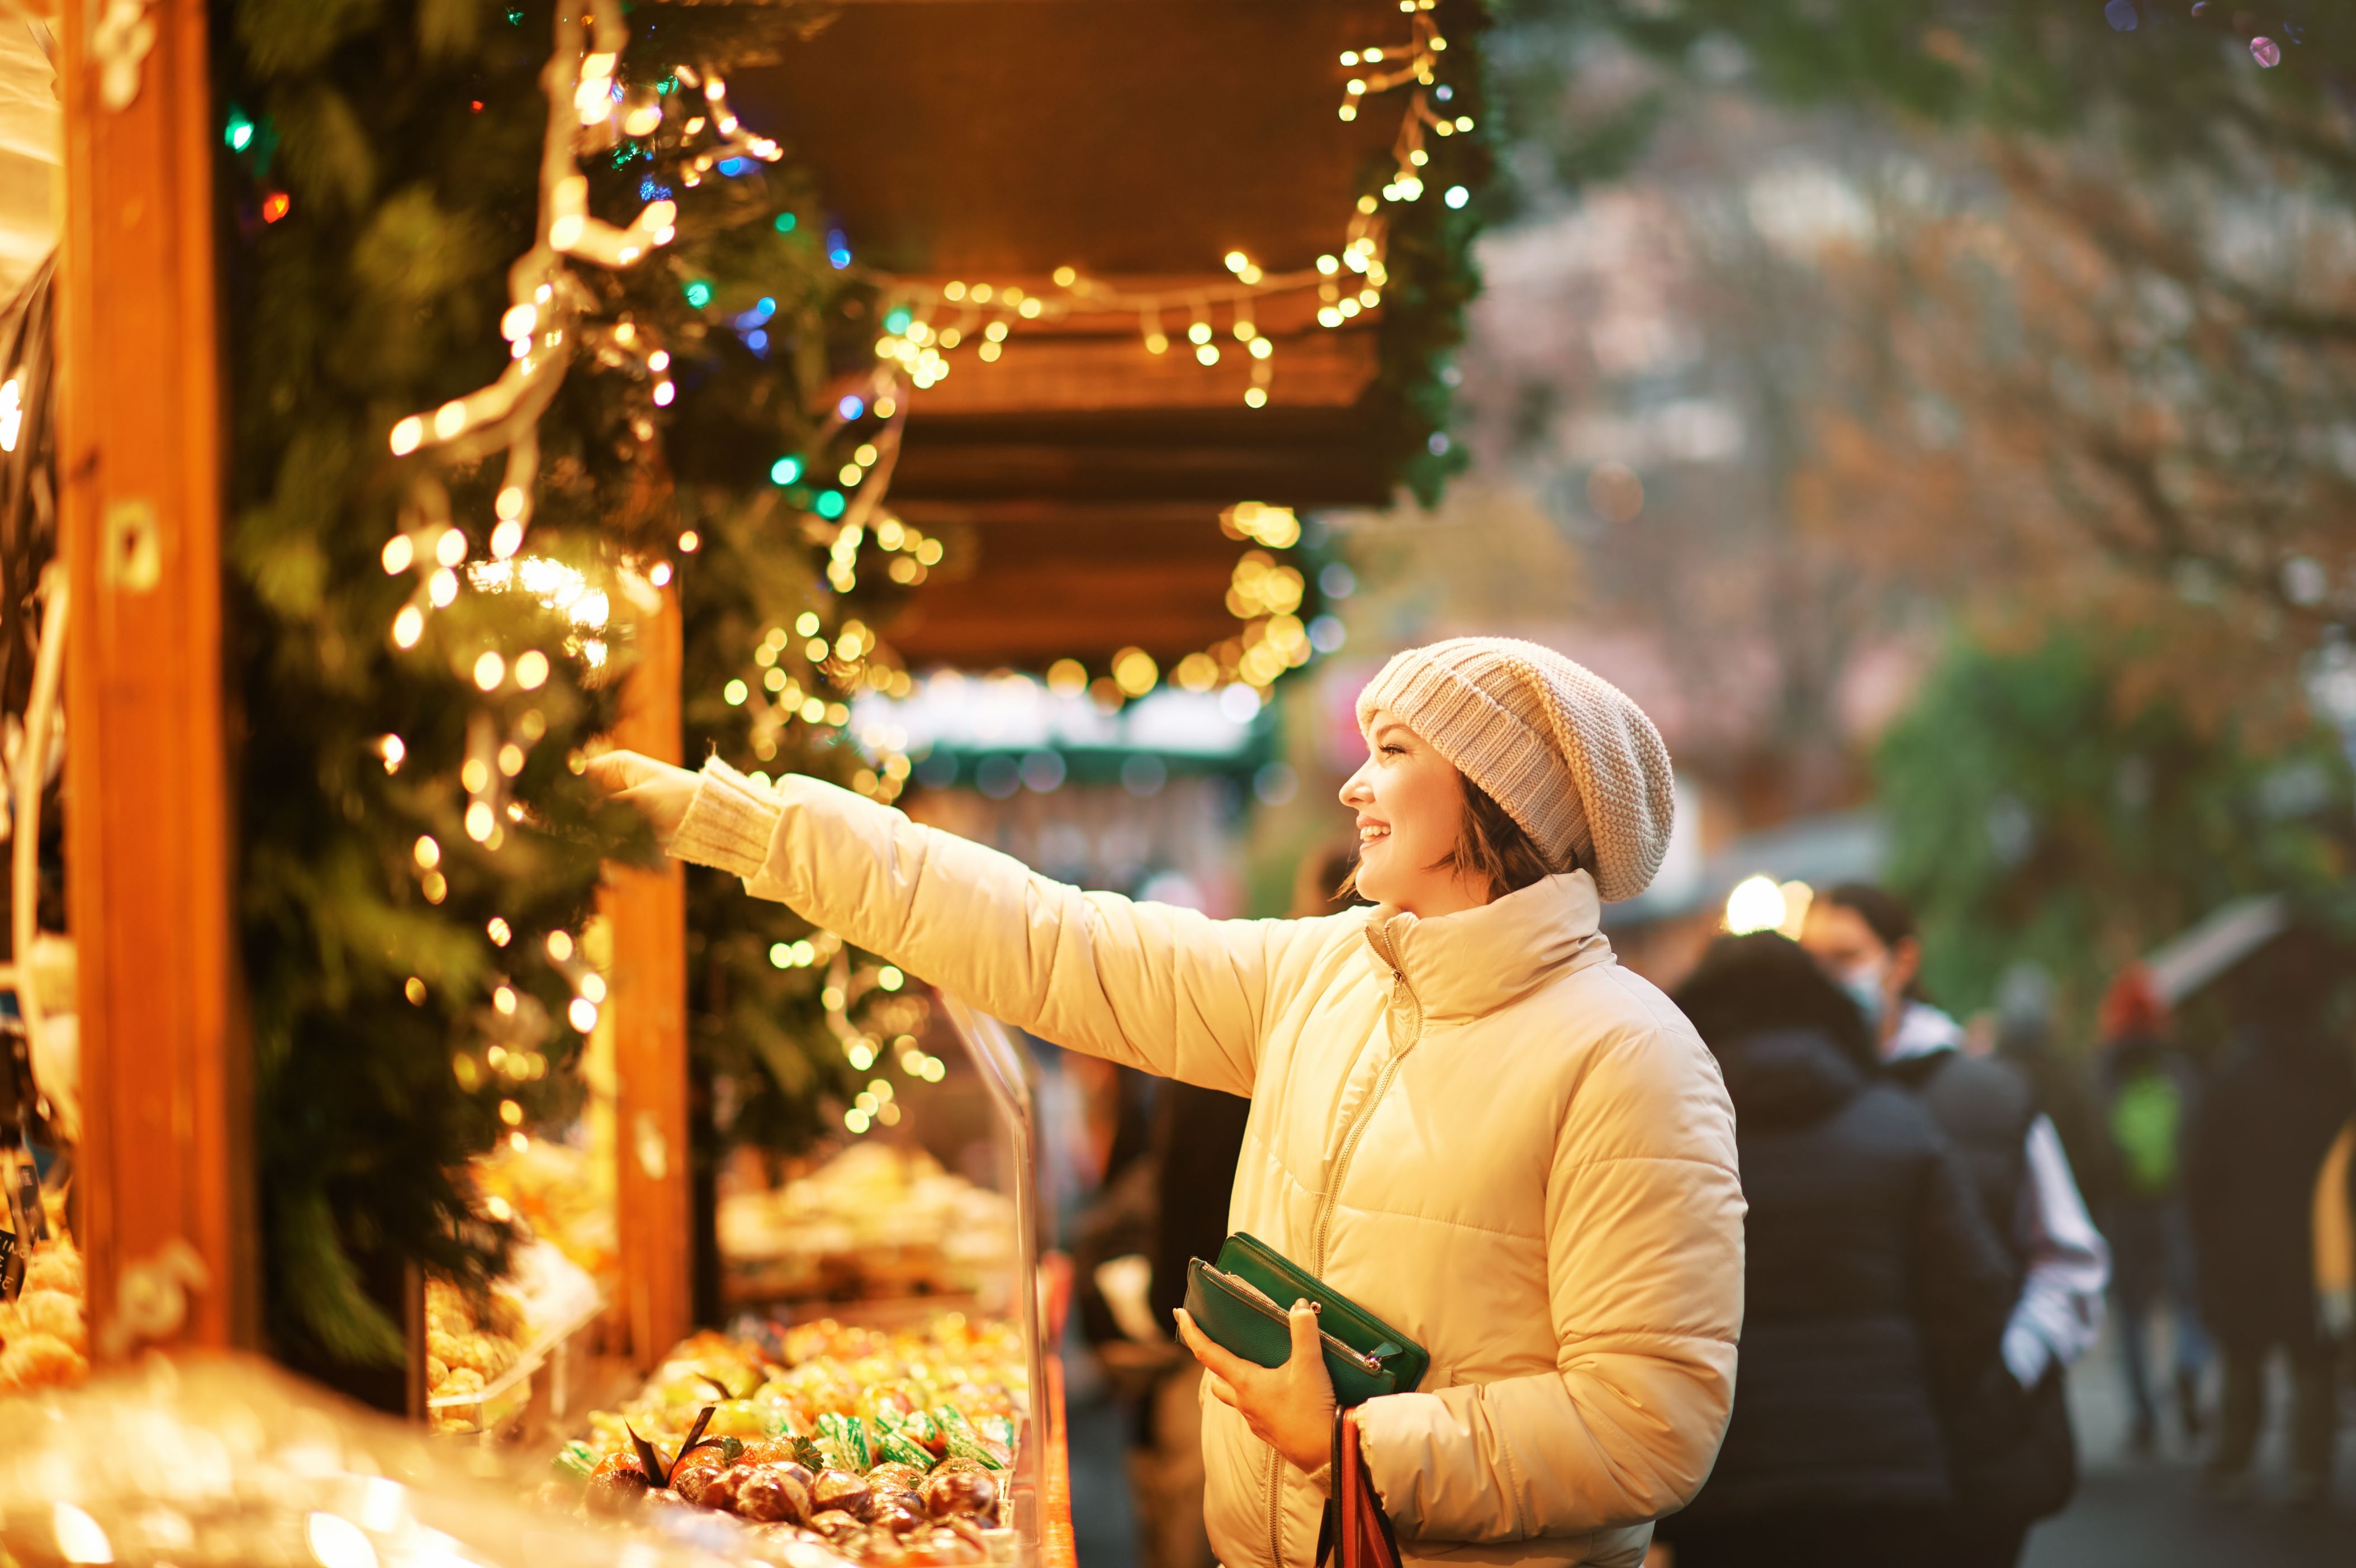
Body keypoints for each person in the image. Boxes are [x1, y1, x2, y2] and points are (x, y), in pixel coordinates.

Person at [594, 637, 1745, 1568]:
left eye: (1391, 749)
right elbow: (1046, 938)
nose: (1352, 782)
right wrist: (739, 824)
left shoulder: (1630, 1056)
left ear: (1497, 798)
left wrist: (1358, 1442)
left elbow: (1652, 1422)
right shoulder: (1322, 975)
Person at [1653, 933, 2014, 1568]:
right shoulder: (1900, 1125)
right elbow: (1978, 1294)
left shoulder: (1664, 1143)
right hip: (1890, 1476)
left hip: (1727, 1485)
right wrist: (1917, 1393)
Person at [1798, 885, 2107, 1568]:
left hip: (1977, 1465)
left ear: (1901, 961)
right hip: (1847, 1464)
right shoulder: (1790, 1096)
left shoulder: (1988, 1094)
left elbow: (2070, 1260)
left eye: (1845, 956)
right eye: (1812, 960)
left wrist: (2010, 1368)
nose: (1826, 977)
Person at [2184, 935, 2356, 1506]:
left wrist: (2206, 1237)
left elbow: (2202, 1167)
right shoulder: (2337, 1071)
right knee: (2313, 1358)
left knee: (2243, 1351)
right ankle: (2309, 1468)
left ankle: (2235, 1455)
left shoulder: (2232, 1072)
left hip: (2242, 1241)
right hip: (2316, 1240)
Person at [2089, 966, 2208, 1455]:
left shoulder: (2100, 1070)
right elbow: (2200, 1128)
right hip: (2174, 1199)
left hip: (2121, 1204)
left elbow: (2090, 1137)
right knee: (2188, 1298)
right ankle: (2187, 1369)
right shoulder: (2174, 1066)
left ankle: (2141, 1414)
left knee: (2132, 1313)